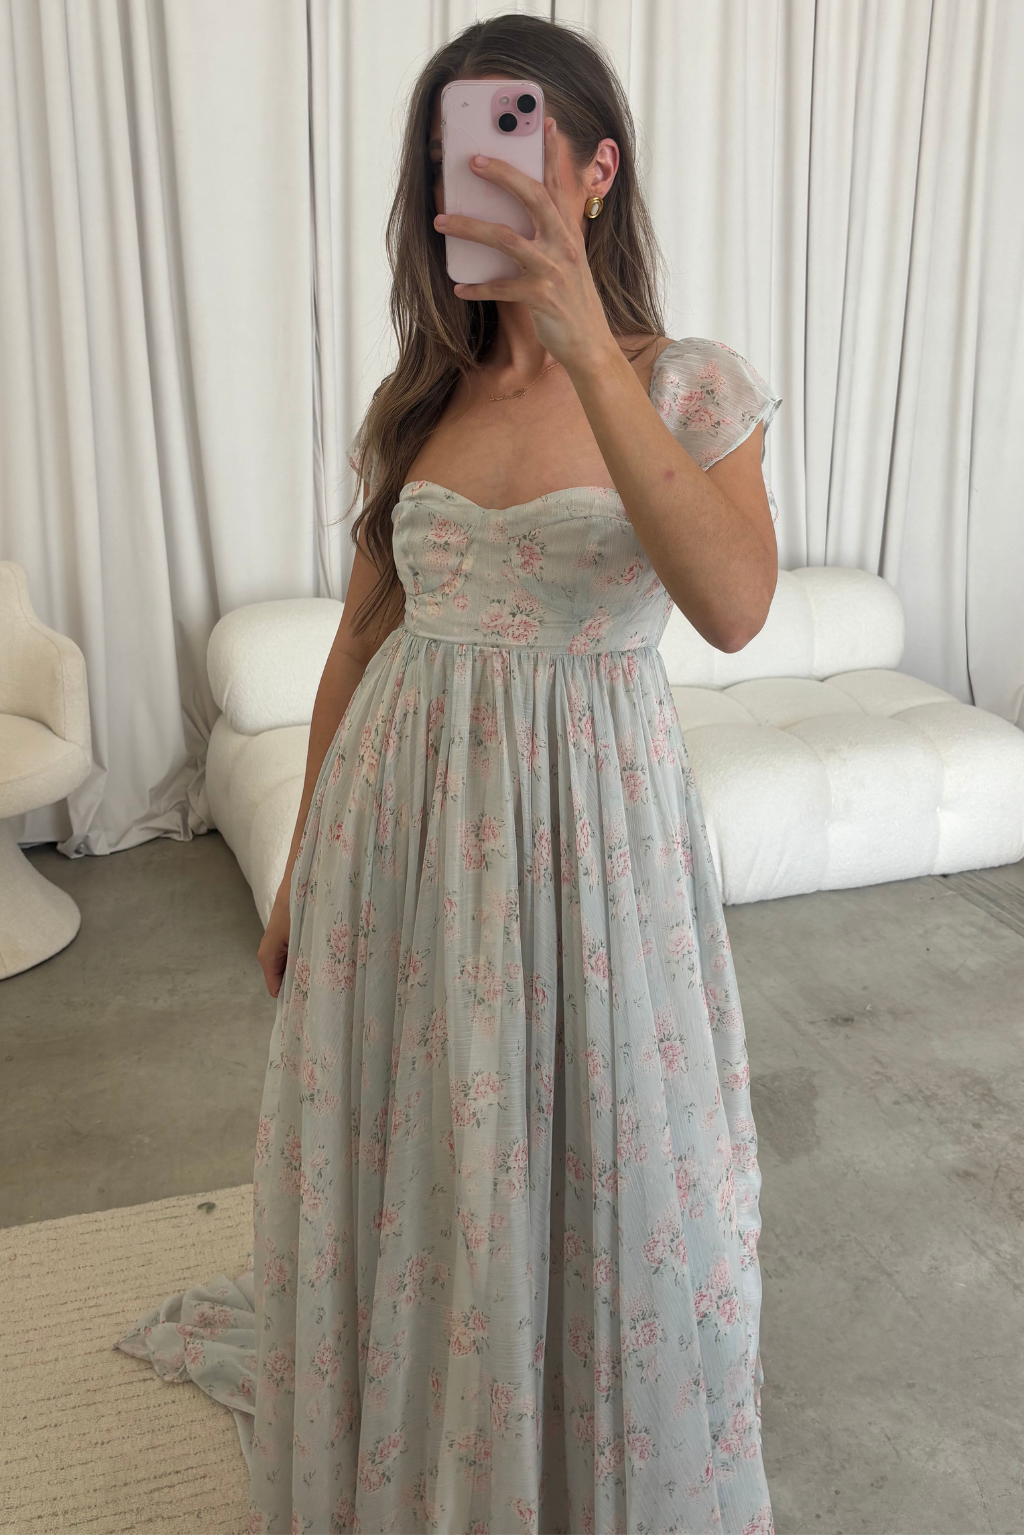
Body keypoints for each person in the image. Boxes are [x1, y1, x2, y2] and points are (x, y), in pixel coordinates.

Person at [116, 14, 782, 1534]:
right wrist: (299, 873)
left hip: (592, 857)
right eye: (447, 160)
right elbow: (361, 637)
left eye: (507, 145)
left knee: (603, 1177)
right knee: (430, 1160)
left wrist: (581, 341)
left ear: (596, 171)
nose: (466, 186)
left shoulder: (691, 386)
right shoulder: (418, 399)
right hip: (402, 841)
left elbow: (736, 604)